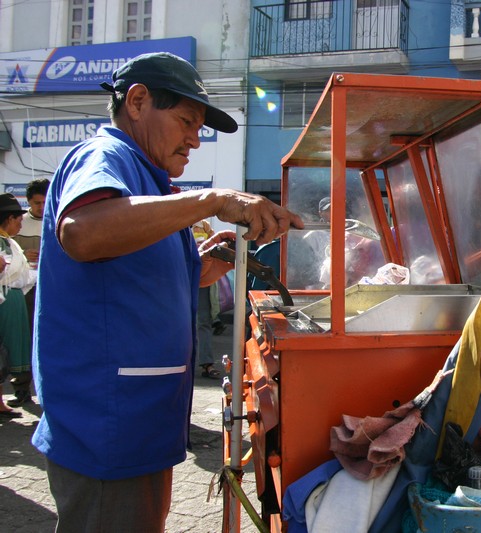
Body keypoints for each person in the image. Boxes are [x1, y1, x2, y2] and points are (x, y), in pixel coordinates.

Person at [31, 52, 303, 531]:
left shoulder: (151, 183)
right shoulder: (106, 156)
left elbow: (151, 276)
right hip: (107, 422)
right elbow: (83, 233)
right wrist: (213, 200)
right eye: (186, 122)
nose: (195, 140)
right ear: (137, 102)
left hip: (140, 416)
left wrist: (208, 260)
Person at [8, 178, 50, 407]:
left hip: (51, 289)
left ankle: (50, 391)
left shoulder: (58, 220)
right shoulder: (16, 223)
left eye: (45, 202)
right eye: (36, 203)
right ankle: (21, 387)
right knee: (22, 339)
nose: (41, 207)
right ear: (28, 201)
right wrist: (25, 253)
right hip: (23, 291)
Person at [0, 193, 36, 416]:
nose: (21, 223)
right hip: (3, 299)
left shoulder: (9, 242)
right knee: (2, 350)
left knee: (5, 352)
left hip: (12, 299)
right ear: (8, 218)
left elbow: (22, 276)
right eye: (18, 219)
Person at [192, 219, 222, 379]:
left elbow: (213, 245)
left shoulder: (203, 224)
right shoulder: (172, 221)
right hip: (177, 277)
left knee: (203, 321)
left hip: (200, 278)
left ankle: (207, 363)